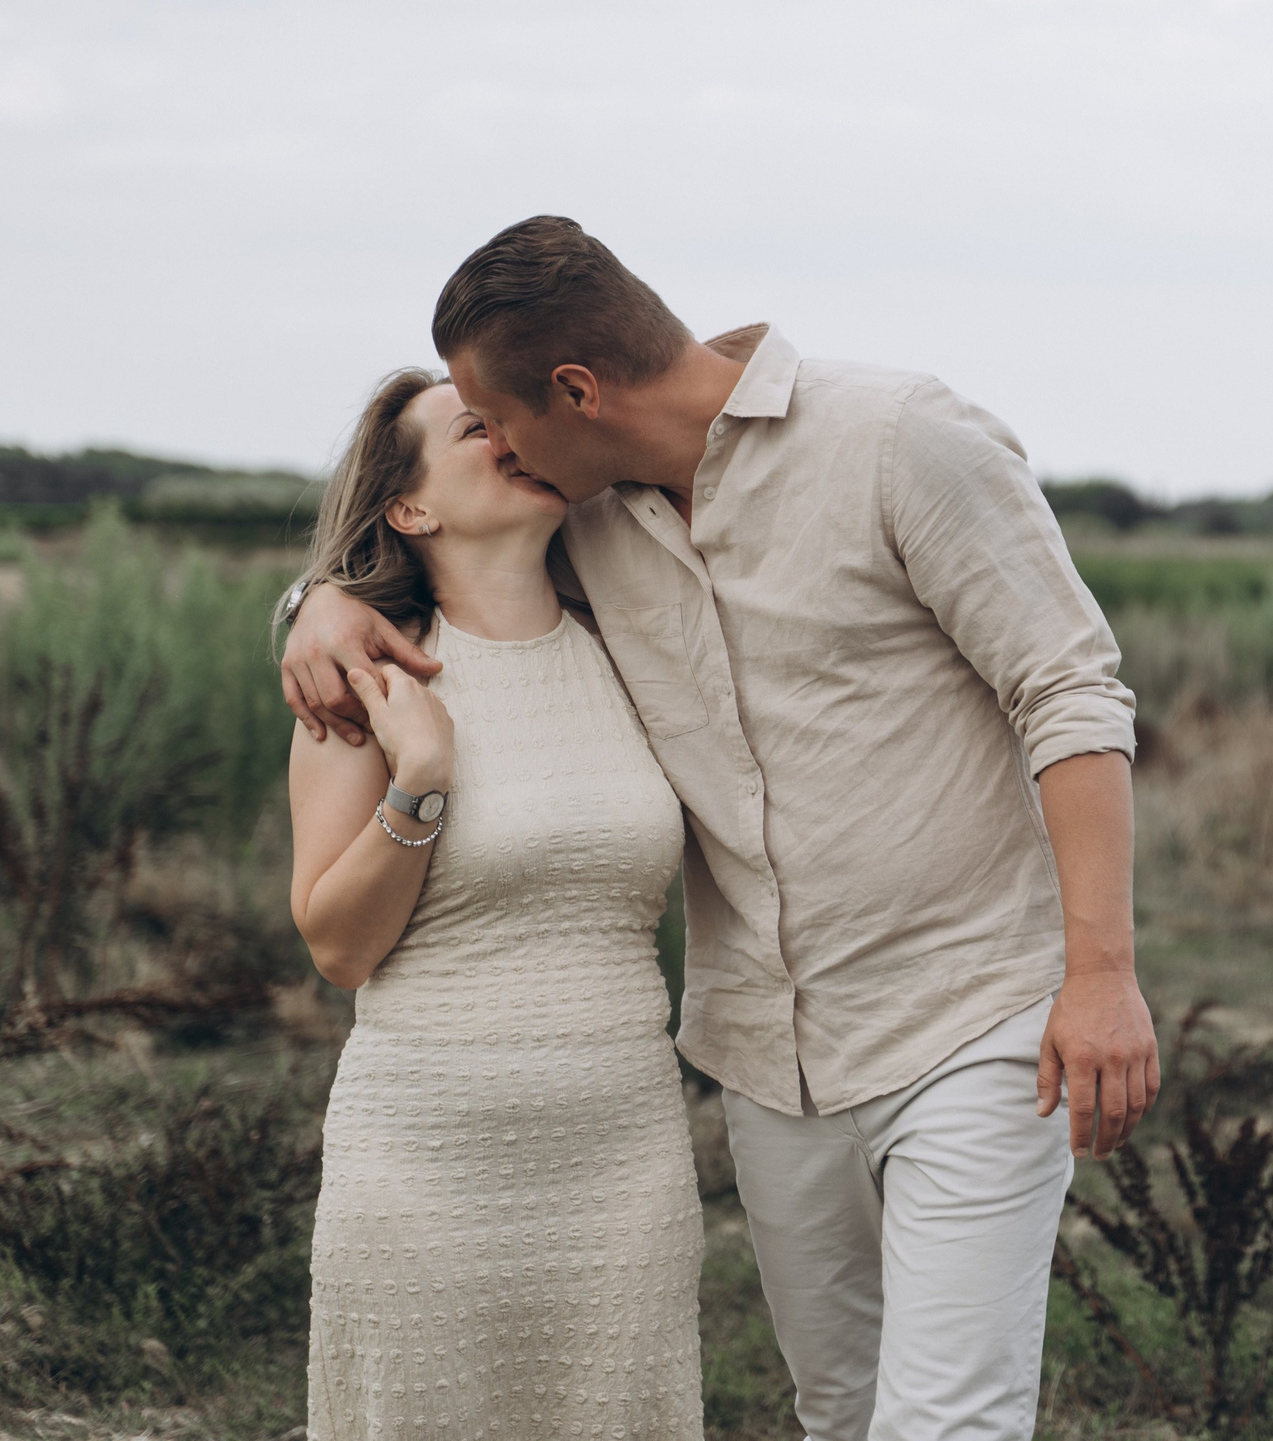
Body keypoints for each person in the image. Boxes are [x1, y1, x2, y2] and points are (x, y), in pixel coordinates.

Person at [282, 216, 1159, 1441]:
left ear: (574, 392)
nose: (506, 448)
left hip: (968, 1016)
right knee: (839, 1410)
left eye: (500, 418)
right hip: (767, 1057)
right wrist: (315, 599)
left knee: (945, 1422)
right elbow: (439, 571)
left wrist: (1102, 972)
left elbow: (1069, 690)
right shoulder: (589, 521)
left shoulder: (899, 438)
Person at [286, 369, 702, 1441]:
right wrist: (420, 782)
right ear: (409, 508)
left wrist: (304, 595)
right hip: (425, 1162)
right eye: (476, 427)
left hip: (622, 1159)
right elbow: (337, 946)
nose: (510, 436)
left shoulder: (635, 649)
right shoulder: (363, 685)